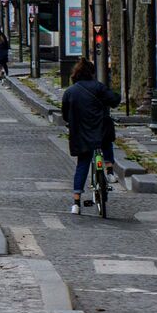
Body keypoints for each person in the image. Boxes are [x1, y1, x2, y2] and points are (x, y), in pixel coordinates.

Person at [62, 59, 121, 214]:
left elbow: (65, 116)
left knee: (82, 164)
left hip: (81, 134)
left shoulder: (70, 92)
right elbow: (114, 100)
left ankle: (76, 203)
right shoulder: (98, 87)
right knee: (106, 140)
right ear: (92, 73)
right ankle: (109, 172)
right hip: (100, 130)